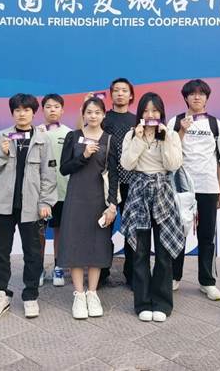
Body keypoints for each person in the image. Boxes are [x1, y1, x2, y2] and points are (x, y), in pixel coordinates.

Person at [0, 93, 57, 320]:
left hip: (32, 207)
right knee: (0, 252)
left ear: (33, 112)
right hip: (3, 206)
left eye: (26, 110)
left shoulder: (43, 140)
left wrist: (45, 202)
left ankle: (30, 296)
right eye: (17, 110)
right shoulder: (1, 137)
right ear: (12, 113)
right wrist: (3, 154)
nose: (22, 114)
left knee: (33, 253)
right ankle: (0, 295)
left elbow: (49, 175)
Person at [120, 92, 184, 322]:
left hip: (163, 192)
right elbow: (127, 164)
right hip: (139, 192)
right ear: (140, 113)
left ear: (161, 113)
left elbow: (173, 164)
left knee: (164, 252)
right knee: (140, 252)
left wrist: (165, 139)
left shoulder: (171, 134)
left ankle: (162, 303)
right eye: (146, 111)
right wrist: (138, 139)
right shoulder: (131, 134)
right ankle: (143, 303)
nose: (150, 115)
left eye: (155, 110)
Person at [58, 97, 119, 319]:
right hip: (76, 198)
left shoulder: (109, 140)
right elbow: (64, 168)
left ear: (104, 115)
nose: (93, 116)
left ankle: (92, 293)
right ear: (83, 114)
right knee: (75, 244)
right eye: (89, 112)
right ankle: (79, 294)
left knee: (97, 245)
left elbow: (114, 175)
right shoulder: (73, 137)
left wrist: (112, 204)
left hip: (98, 200)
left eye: (97, 112)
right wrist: (83, 156)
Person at [167, 79, 220, 301]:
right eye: (192, 94)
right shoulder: (175, 121)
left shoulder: (215, 124)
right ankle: (174, 277)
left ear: (206, 98)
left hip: (208, 186)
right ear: (185, 97)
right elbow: (169, 151)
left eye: (201, 94)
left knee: (207, 235)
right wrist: (181, 131)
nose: (196, 97)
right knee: (178, 233)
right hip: (181, 188)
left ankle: (207, 281)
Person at [100, 78, 137, 286]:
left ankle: (132, 274)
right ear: (111, 94)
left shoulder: (137, 120)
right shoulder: (102, 118)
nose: (120, 94)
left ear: (131, 95)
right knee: (103, 227)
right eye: (116, 90)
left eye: (124, 90)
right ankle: (102, 271)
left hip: (132, 182)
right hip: (107, 181)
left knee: (132, 229)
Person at [37, 93, 71, 287]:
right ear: (42, 110)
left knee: (60, 231)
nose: (52, 110)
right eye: (48, 107)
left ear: (62, 110)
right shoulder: (35, 132)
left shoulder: (69, 133)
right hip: (41, 193)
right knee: (39, 232)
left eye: (56, 107)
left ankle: (59, 267)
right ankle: (38, 268)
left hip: (63, 192)